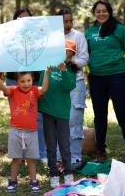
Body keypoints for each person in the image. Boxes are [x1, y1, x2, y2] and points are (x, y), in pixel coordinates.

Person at [85, 0, 125, 161]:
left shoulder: (120, 29)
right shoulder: (89, 32)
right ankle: (100, 150)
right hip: (96, 78)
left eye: (104, 11)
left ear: (110, 12)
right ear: (94, 13)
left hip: (117, 76)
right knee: (99, 116)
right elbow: (84, 54)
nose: (101, 14)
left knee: (122, 113)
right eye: (98, 11)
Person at [0, 69, 50, 193]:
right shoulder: (13, 90)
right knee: (16, 159)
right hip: (16, 131)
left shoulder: (35, 91)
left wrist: (46, 73)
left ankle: (34, 181)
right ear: (17, 82)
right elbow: (3, 87)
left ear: (32, 80)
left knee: (31, 160)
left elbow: (44, 89)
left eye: (29, 81)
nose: (26, 84)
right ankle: (13, 181)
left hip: (32, 132)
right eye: (22, 81)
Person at [6, 9, 47, 163]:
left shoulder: (39, 38)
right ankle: (20, 155)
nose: (24, 21)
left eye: (27, 19)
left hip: (33, 81)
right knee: (17, 116)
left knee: (37, 118)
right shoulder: (8, 38)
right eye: (20, 19)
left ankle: (40, 153)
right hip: (13, 81)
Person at [38, 40, 77, 188]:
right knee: (51, 145)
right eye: (64, 51)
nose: (65, 55)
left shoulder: (71, 70)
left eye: (69, 53)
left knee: (64, 145)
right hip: (47, 110)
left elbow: (69, 86)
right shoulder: (47, 65)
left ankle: (68, 173)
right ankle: (53, 173)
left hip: (62, 113)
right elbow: (43, 86)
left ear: (71, 56)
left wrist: (64, 71)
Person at [56, 8, 89, 170]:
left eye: (70, 21)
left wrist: (69, 60)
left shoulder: (78, 36)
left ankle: (75, 158)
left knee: (75, 119)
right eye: (64, 21)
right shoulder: (52, 39)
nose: (68, 24)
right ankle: (57, 158)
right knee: (58, 119)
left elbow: (85, 58)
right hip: (57, 83)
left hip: (76, 82)